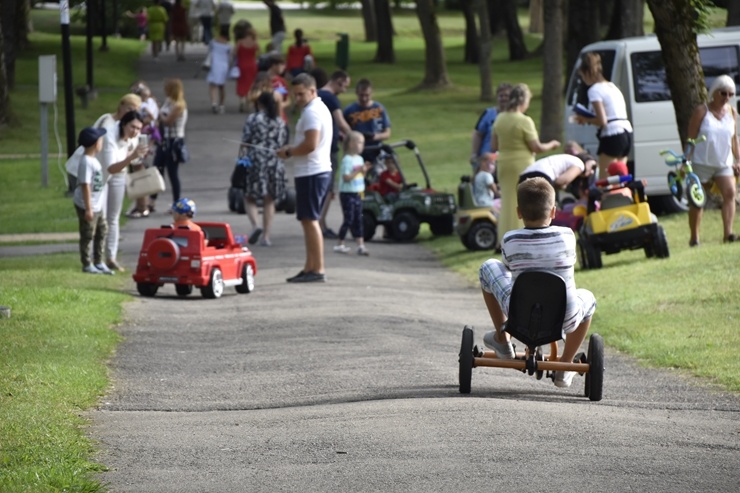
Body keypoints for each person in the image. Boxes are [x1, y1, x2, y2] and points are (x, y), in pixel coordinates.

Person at [478, 177, 597, 388]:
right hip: (564, 318)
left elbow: (507, 267)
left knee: (488, 266)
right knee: (588, 297)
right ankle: (566, 364)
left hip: (519, 316)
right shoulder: (568, 236)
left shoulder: (510, 240)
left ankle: (503, 341)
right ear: (553, 211)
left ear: (518, 212)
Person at [276, 73, 333, 283]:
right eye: (295, 94)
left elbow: (310, 144)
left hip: (312, 171)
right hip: (312, 171)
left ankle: (317, 269)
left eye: (301, 94)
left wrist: (289, 151)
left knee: (310, 221)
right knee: (307, 220)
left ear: (312, 90)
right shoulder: (315, 109)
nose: (297, 98)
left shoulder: (313, 113)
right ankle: (310, 266)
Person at [492, 83, 560, 246]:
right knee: (523, 199)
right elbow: (536, 147)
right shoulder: (524, 121)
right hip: (521, 163)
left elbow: (494, 145)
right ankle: (522, 237)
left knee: (507, 201)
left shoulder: (500, 118)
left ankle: (503, 239)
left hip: (504, 163)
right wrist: (551, 144)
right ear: (523, 100)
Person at [686, 75, 740, 245]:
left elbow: (734, 139)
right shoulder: (702, 111)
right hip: (701, 162)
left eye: (731, 94)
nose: (727, 98)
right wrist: (685, 160)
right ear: (714, 92)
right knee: (697, 200)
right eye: (723, 93)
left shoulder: (732, 113)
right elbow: (690, 138)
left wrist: (738, 160)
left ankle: (728, 234)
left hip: (723, 163)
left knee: (730, 193)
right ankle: (694, 238)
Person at [99, 110, 149, 272]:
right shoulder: (110, 136)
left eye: (138, 128)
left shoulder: (134, 138)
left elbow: (132, 158)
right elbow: (111, 168)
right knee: (101, 217)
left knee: (113, 217)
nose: (135, 131)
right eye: (132, 127)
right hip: (102, 175)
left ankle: (111, 257)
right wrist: (131, 156)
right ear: (123, 124)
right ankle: (96, 257)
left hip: (119, 175)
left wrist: (137, 156)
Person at [574, 52, 633, 180]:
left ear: (588, 72)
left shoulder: (594, 90)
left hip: (612, 134)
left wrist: (585, 119)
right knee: (621, 178)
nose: (583, 80)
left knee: (605, 180)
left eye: (582, 76)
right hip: (626, 133)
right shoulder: (612, 87)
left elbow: (602, 120)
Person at [240, 91, 289, 246]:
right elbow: (283, 141)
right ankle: (266, 236)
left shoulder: (253, 119)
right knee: (270, 199)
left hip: (256, 161)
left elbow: (245, 140)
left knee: (250, 196)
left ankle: (256, 225)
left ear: (259, 104)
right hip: (275, 162)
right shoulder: (280, 121)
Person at [317, 69, 353, 238]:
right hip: (329, 150)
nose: (344, 90)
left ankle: (317, 222)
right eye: (345, 86)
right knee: (328, 188)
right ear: (338, 81)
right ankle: (321, 224)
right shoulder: (331, 98)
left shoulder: (316, 94)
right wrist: (355, 138)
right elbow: (341, 122)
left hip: (318, 146)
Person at [73, 127, 112, 275]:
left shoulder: (93, 160)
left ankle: (99, 261)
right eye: (101, 140)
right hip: (87, 205)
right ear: (96, 144)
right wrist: (88, 209)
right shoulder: (86, 162)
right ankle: (87, 263)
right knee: (88, 234)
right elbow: (85, 186)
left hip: (97, 205)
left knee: (102, 230)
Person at [150, 78, 189, 213]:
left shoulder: (179, 105)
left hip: (174, 141)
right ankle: (152, 202)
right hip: (164, 140)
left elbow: (167, 121)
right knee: (157, 169)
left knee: (172, 173)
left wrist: (158, 113)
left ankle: (176, 204)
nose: (164, 90)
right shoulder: (168, 102)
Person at [334, 131, 371, 256]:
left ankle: (361, 245)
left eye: (363, 143)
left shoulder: (360, 159)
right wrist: (359, 171)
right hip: (347, 193)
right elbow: (346, 177)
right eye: (360, 142)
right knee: (349, 219)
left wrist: (364, 171)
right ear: (351, 144)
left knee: (358, 219)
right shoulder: (347, 160)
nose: (362, 145)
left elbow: (360, 175)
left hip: (358, 192)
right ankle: (340, 243)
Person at [343, 78, 391, 163]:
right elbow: (342, 134)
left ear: (372, 93)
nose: (364, 98)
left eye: (367, 95)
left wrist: (374, 136)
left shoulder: (379, 108)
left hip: (376, 149)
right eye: (361, 95)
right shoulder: (349, 111)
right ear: (356, 93)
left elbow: (387, 133)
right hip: (357, 152)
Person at [470, 82, 511, 171]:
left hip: (506, 159)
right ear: (497, 97)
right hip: (486, 159)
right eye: (501, 96)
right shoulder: (488, 113)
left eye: (506, 96)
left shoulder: (516, 116)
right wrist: (474, 154)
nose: (503, 98)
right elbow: (477, 134)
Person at [518, 153, 595, 190]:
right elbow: (560, 181)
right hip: (542, 176)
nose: (592, 172)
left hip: (524, 176)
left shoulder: (568, 159)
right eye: (593, 167)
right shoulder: (579, 164)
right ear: (587, 159)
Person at [206, 25, 232, 114]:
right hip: (224, 65)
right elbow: (230, 56)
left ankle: (214, 103)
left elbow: (209, 50)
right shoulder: (228, 45)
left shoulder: (213, 42)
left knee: (212, 86)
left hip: (214, 64)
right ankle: (221, 105)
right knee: (222, 87)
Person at [234, 25, 259, 113]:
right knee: (251, 83)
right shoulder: (255, 43)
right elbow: (258, 52)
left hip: (242, 64)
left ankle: (242, 100)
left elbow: (235, 53)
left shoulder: (240, 42)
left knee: (241, 82)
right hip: (252, 65)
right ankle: (249, 102)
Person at [267, 54, 290, 123]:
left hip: (280, 118)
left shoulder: (281, 81)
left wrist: (281, 105)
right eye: (282, 65)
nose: (284, 67)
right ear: (274, 65)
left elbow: (288, 100)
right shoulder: (263, 79)